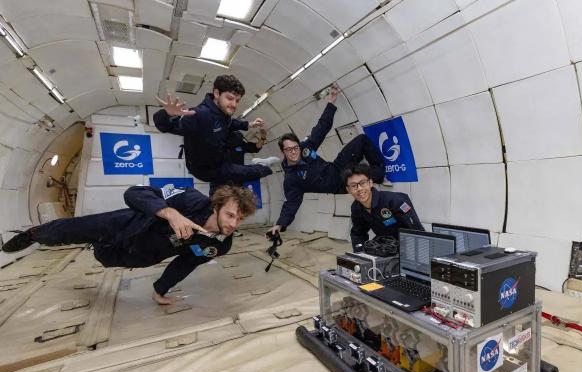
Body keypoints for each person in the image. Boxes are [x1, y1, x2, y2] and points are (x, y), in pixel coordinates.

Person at [1, 185, 256, 305]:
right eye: (230, 215)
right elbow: (134, 193)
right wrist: (170, 213)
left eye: (240, 219)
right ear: (216, 207)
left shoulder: (220, 245)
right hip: (124, 225)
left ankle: (94, 247)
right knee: (71, 230)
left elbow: (185, 263)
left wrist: (160, 289)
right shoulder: (191, 200)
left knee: (102, 256)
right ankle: (33, 234)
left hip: (137, 255)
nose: (233, 224)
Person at [268, 85, 386, 235]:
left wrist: (331, 102)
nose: (293, 152)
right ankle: (374, 176)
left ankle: (380, 174)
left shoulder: (306, 148)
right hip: (337, 185)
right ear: (282, 151)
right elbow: (290, 205)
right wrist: (280, 224)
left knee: (361, 140)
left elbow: (321, 128)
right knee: (359, 181)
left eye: (295, 148)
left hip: (336, 167)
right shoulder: (291, 180)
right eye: (288, 150)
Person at [153, 74, 279, 194]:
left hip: (219, 160)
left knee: (238, 178)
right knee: (248, 173)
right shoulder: (199, 115)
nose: (234, 104)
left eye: (237, 100)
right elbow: (166, 127)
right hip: (205, 170)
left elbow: (229, 123)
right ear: (217, 93)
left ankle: (261, 167)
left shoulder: (223, 113)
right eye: (230, 98)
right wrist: (166, 114)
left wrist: (248, 124)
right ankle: (265, 167)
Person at [344, 164, 423, 251]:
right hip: (385, 246)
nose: (359, 189)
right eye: (354, 186)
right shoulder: (356, 208)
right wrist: (360, 254)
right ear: (348, 190)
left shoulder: (394, 201)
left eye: (363, 183)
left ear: (370, 183)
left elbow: (416, 231)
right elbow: (358, 233)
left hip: (408, 245)